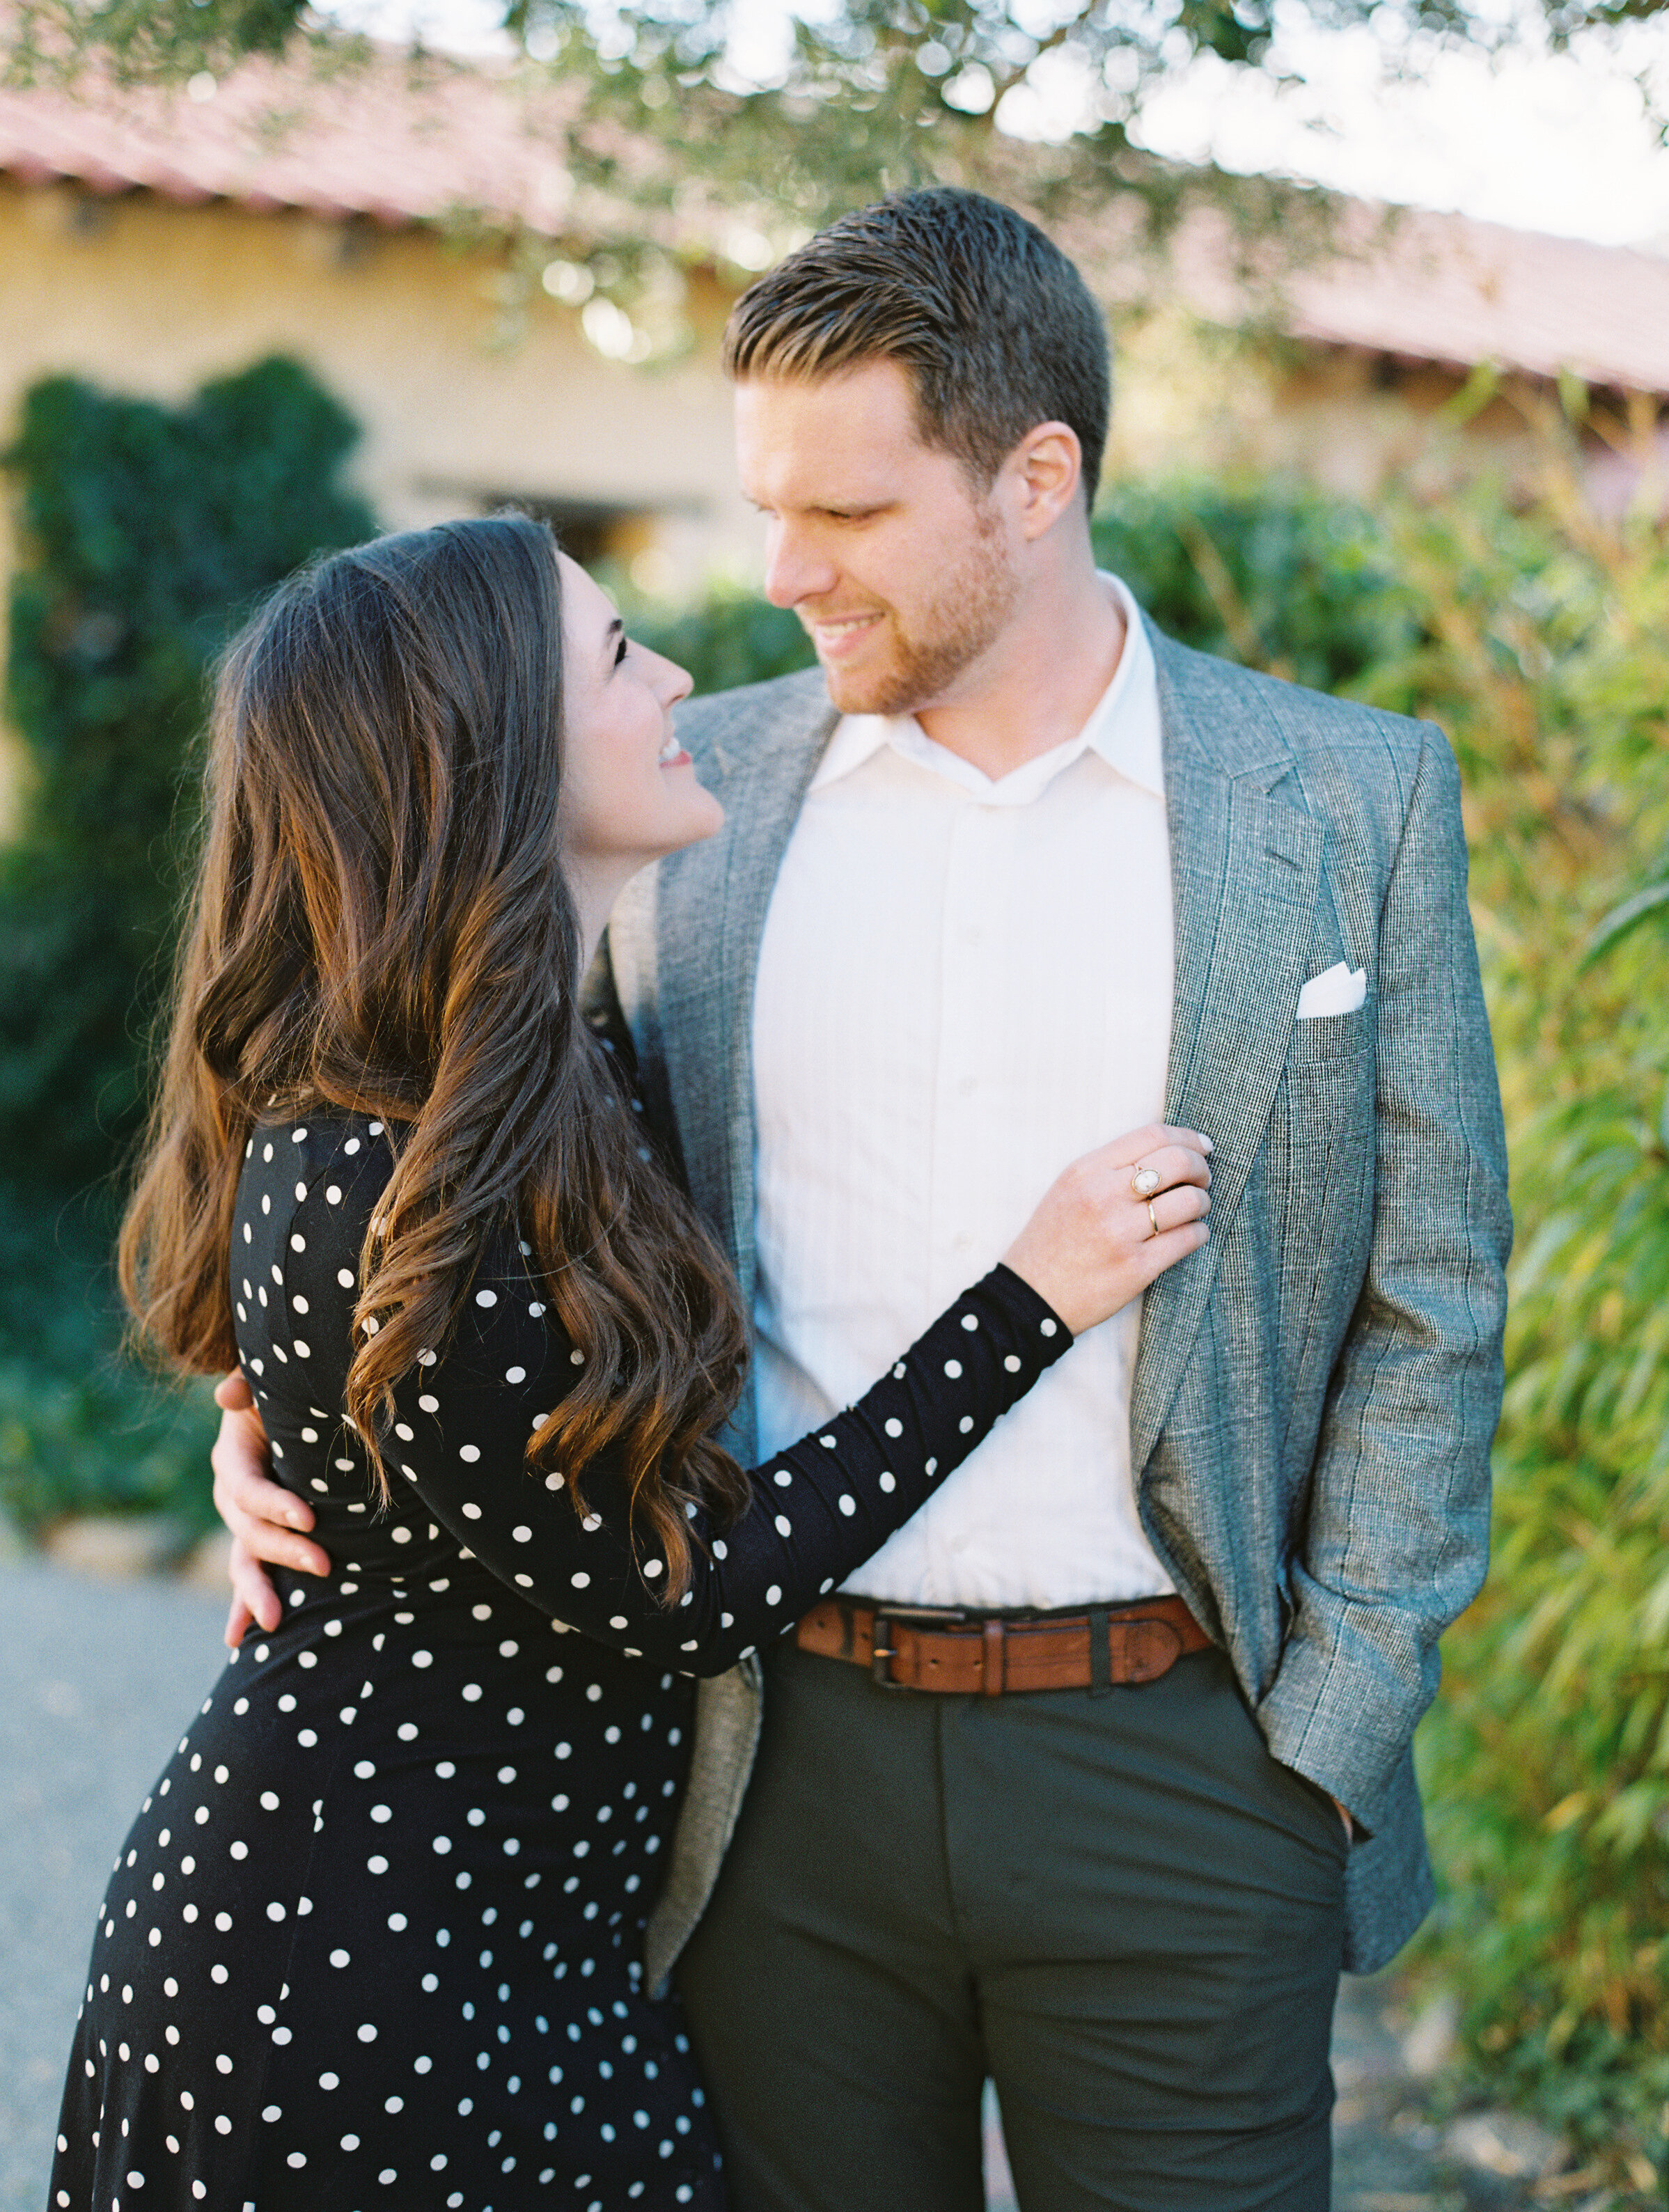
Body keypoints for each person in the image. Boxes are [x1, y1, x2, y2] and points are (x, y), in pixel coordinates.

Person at [214, 189, 1512, 2211]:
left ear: (1033, 474)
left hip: (1182, 1766)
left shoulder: (1348, 798)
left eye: (845, 513)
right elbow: (432, 1144)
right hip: (760, 1772)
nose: (778, 571)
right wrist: (295, 1423)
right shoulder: (683, 802)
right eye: (762, 506)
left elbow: (1431, 1296)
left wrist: (1330, 1715)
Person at [49, 512, 1214, 2212]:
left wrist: (271, 1438)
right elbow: (685, 1581)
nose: (675, 670)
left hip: (538, 1956)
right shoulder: (363, 1156)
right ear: (486, 752)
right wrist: (1029, 1297)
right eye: (612, 653)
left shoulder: (535, 1065)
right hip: (349, 1979)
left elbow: (448, 1435)